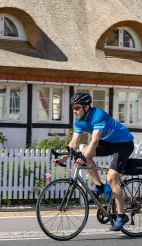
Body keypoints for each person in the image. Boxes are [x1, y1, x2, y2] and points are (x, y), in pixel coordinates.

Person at [53, 92, 135, 232]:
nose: (75, 110)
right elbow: (74, 142)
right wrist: (64, 158)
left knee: (111, 177)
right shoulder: (79, 121)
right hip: (108, 142)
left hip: (123, 143)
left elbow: (95, 140)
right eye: (73, 107)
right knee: (84, 152)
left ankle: (121, 216)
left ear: (86, 107)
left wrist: (84, 157)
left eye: (77, 107)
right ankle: (99, 186)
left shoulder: (98, 115)